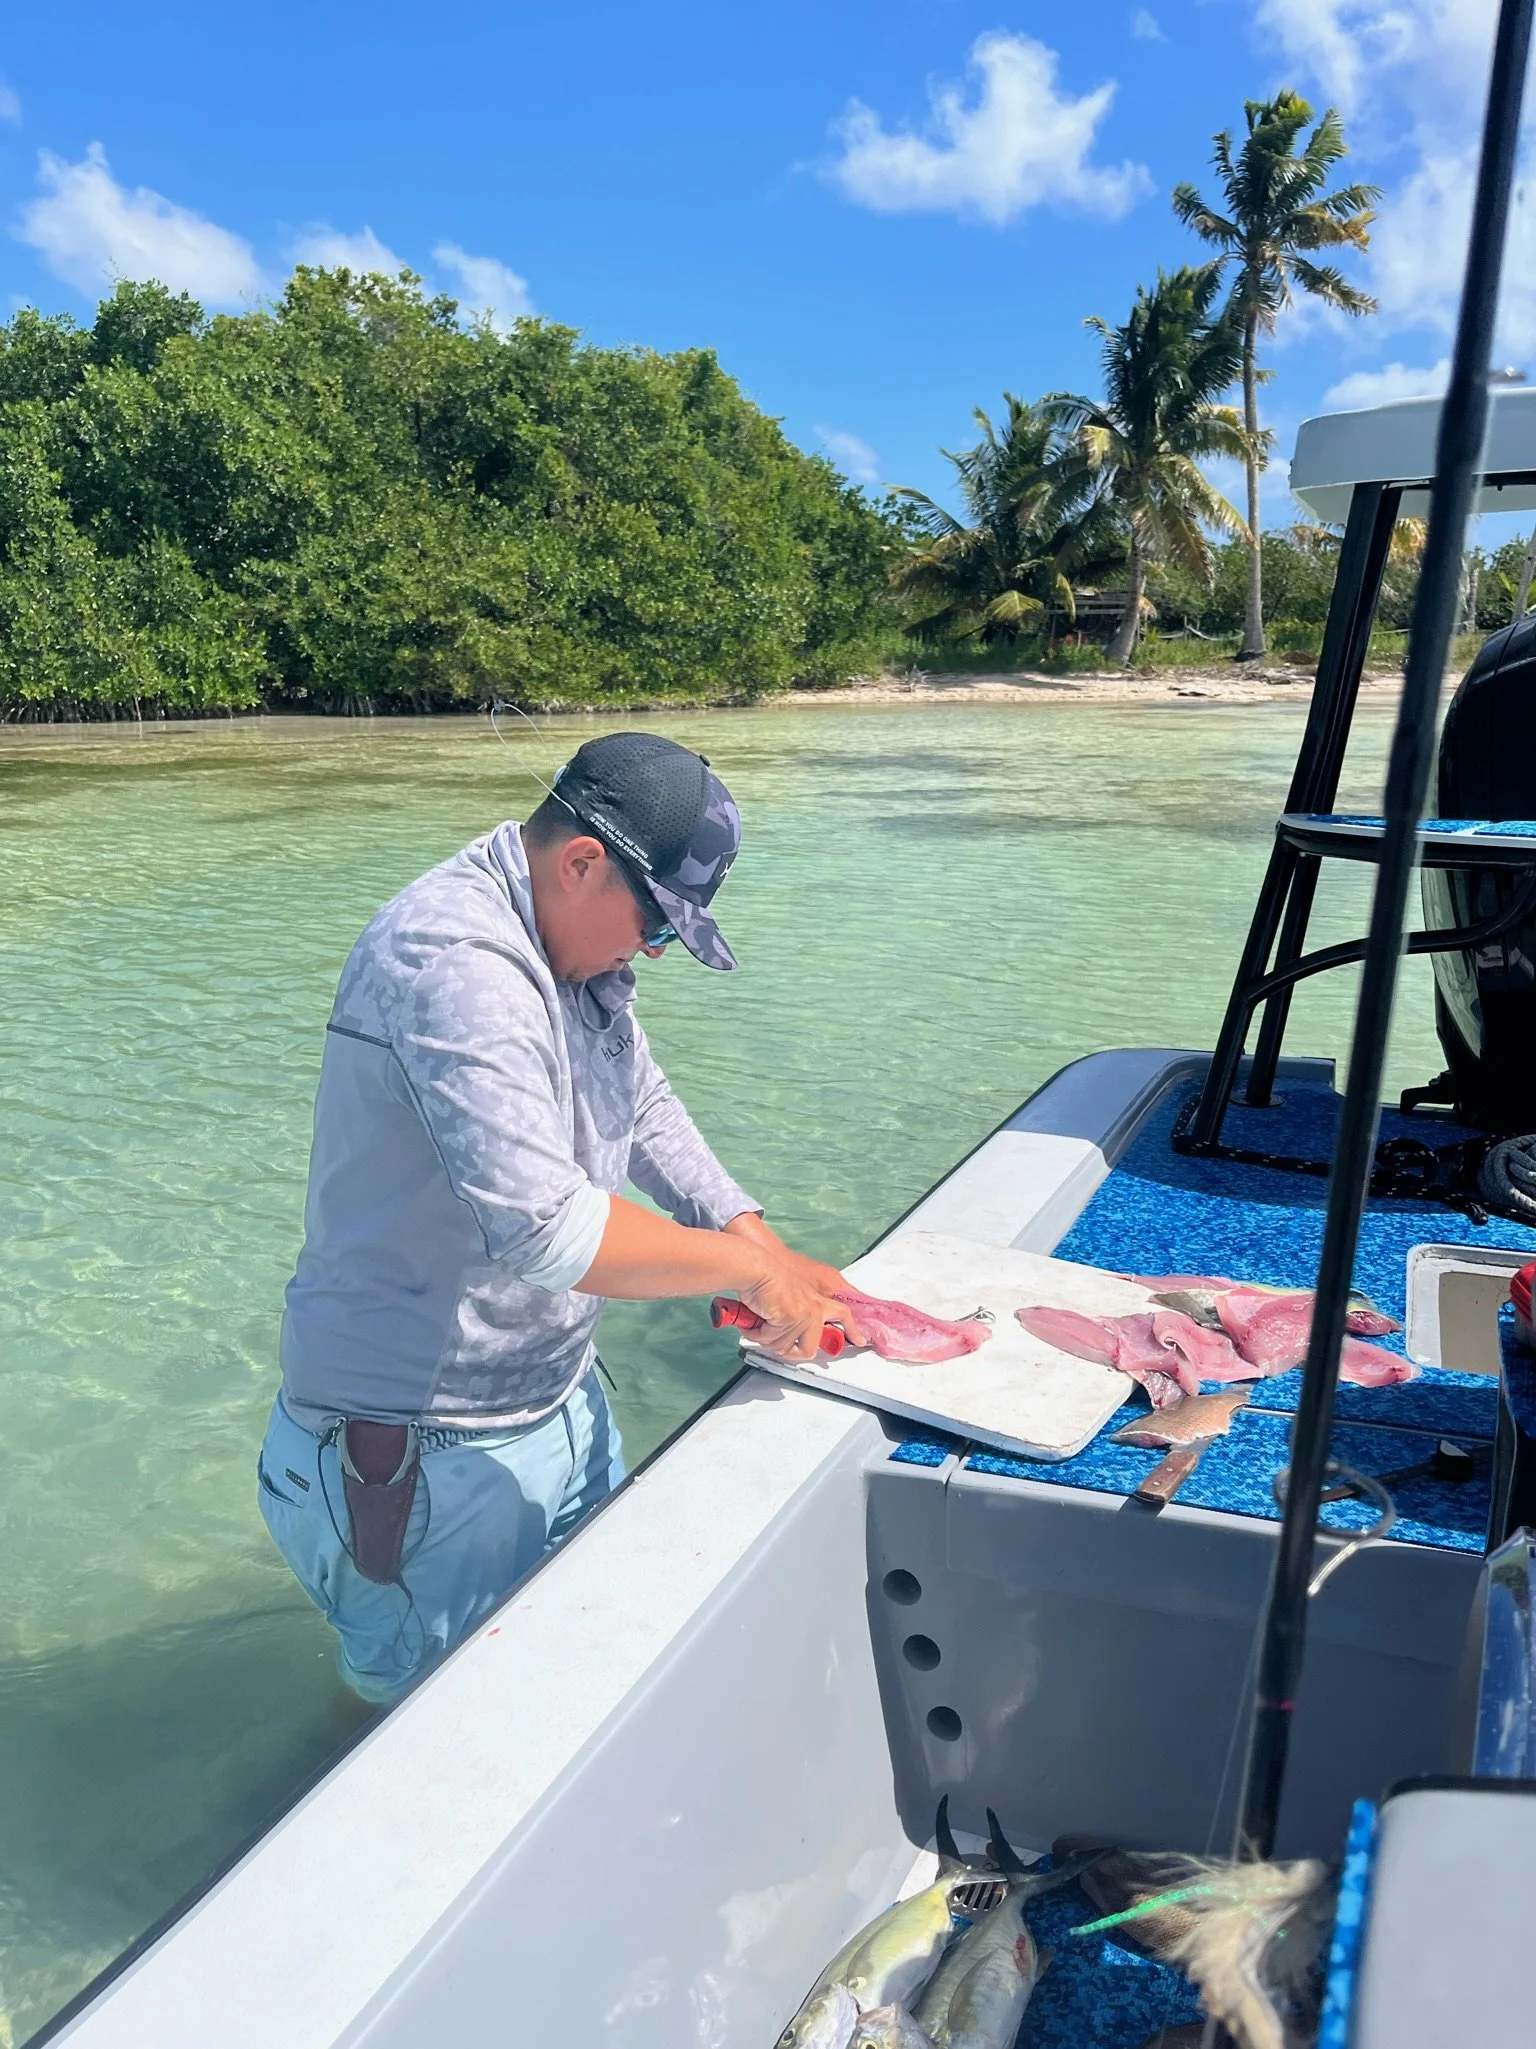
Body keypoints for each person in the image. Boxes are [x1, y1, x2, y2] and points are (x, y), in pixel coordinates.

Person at [256, 730, 860, 1702]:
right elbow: (549, 1231)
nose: (653, 952)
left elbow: (642, 1101)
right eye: (656, 924)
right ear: (581, 862)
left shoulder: (571, 948)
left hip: (559, 1401)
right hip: (420, 1461)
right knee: (428, 1737)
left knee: (584, 1675)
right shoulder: (456, 962)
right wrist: (749, 1275)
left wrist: (753, 1235)